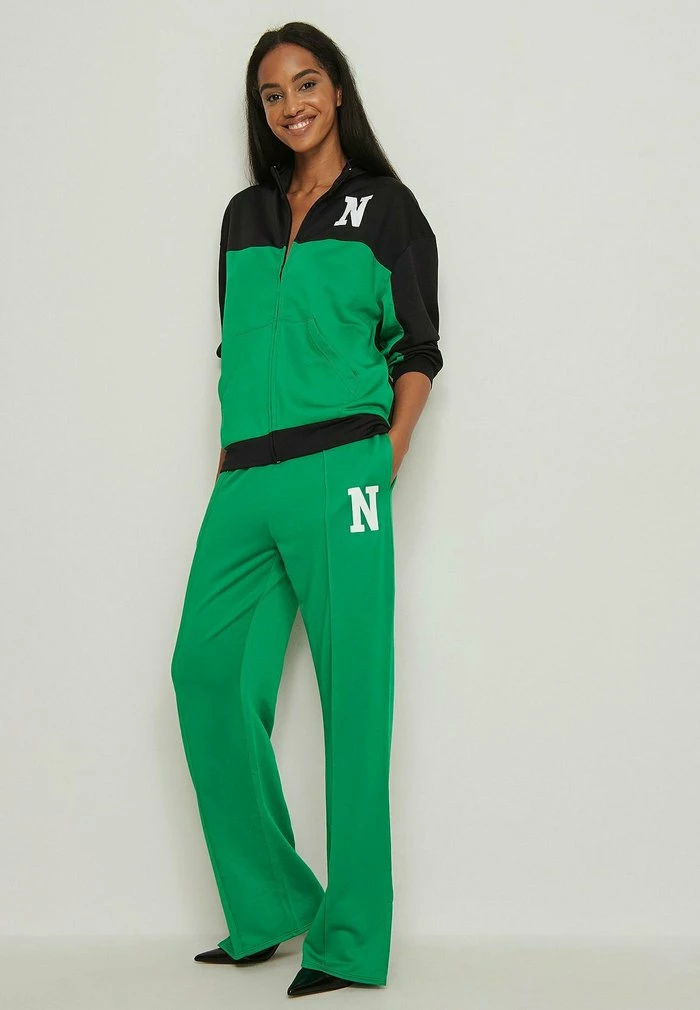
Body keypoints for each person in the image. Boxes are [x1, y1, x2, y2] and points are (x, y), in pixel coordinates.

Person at [170, 21, 443, 1000]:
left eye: (307, 83)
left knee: (353, 699)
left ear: (337, 91)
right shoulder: (243, 216)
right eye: (273, 93)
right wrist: (229, 462)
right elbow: (237, 346)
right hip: (246, 475)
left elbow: (419, 349)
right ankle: (271, 903)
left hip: (343, 468)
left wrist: (388, 454)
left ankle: (351, 939)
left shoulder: (386, 207)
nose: (291, 105)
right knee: (203, 674)